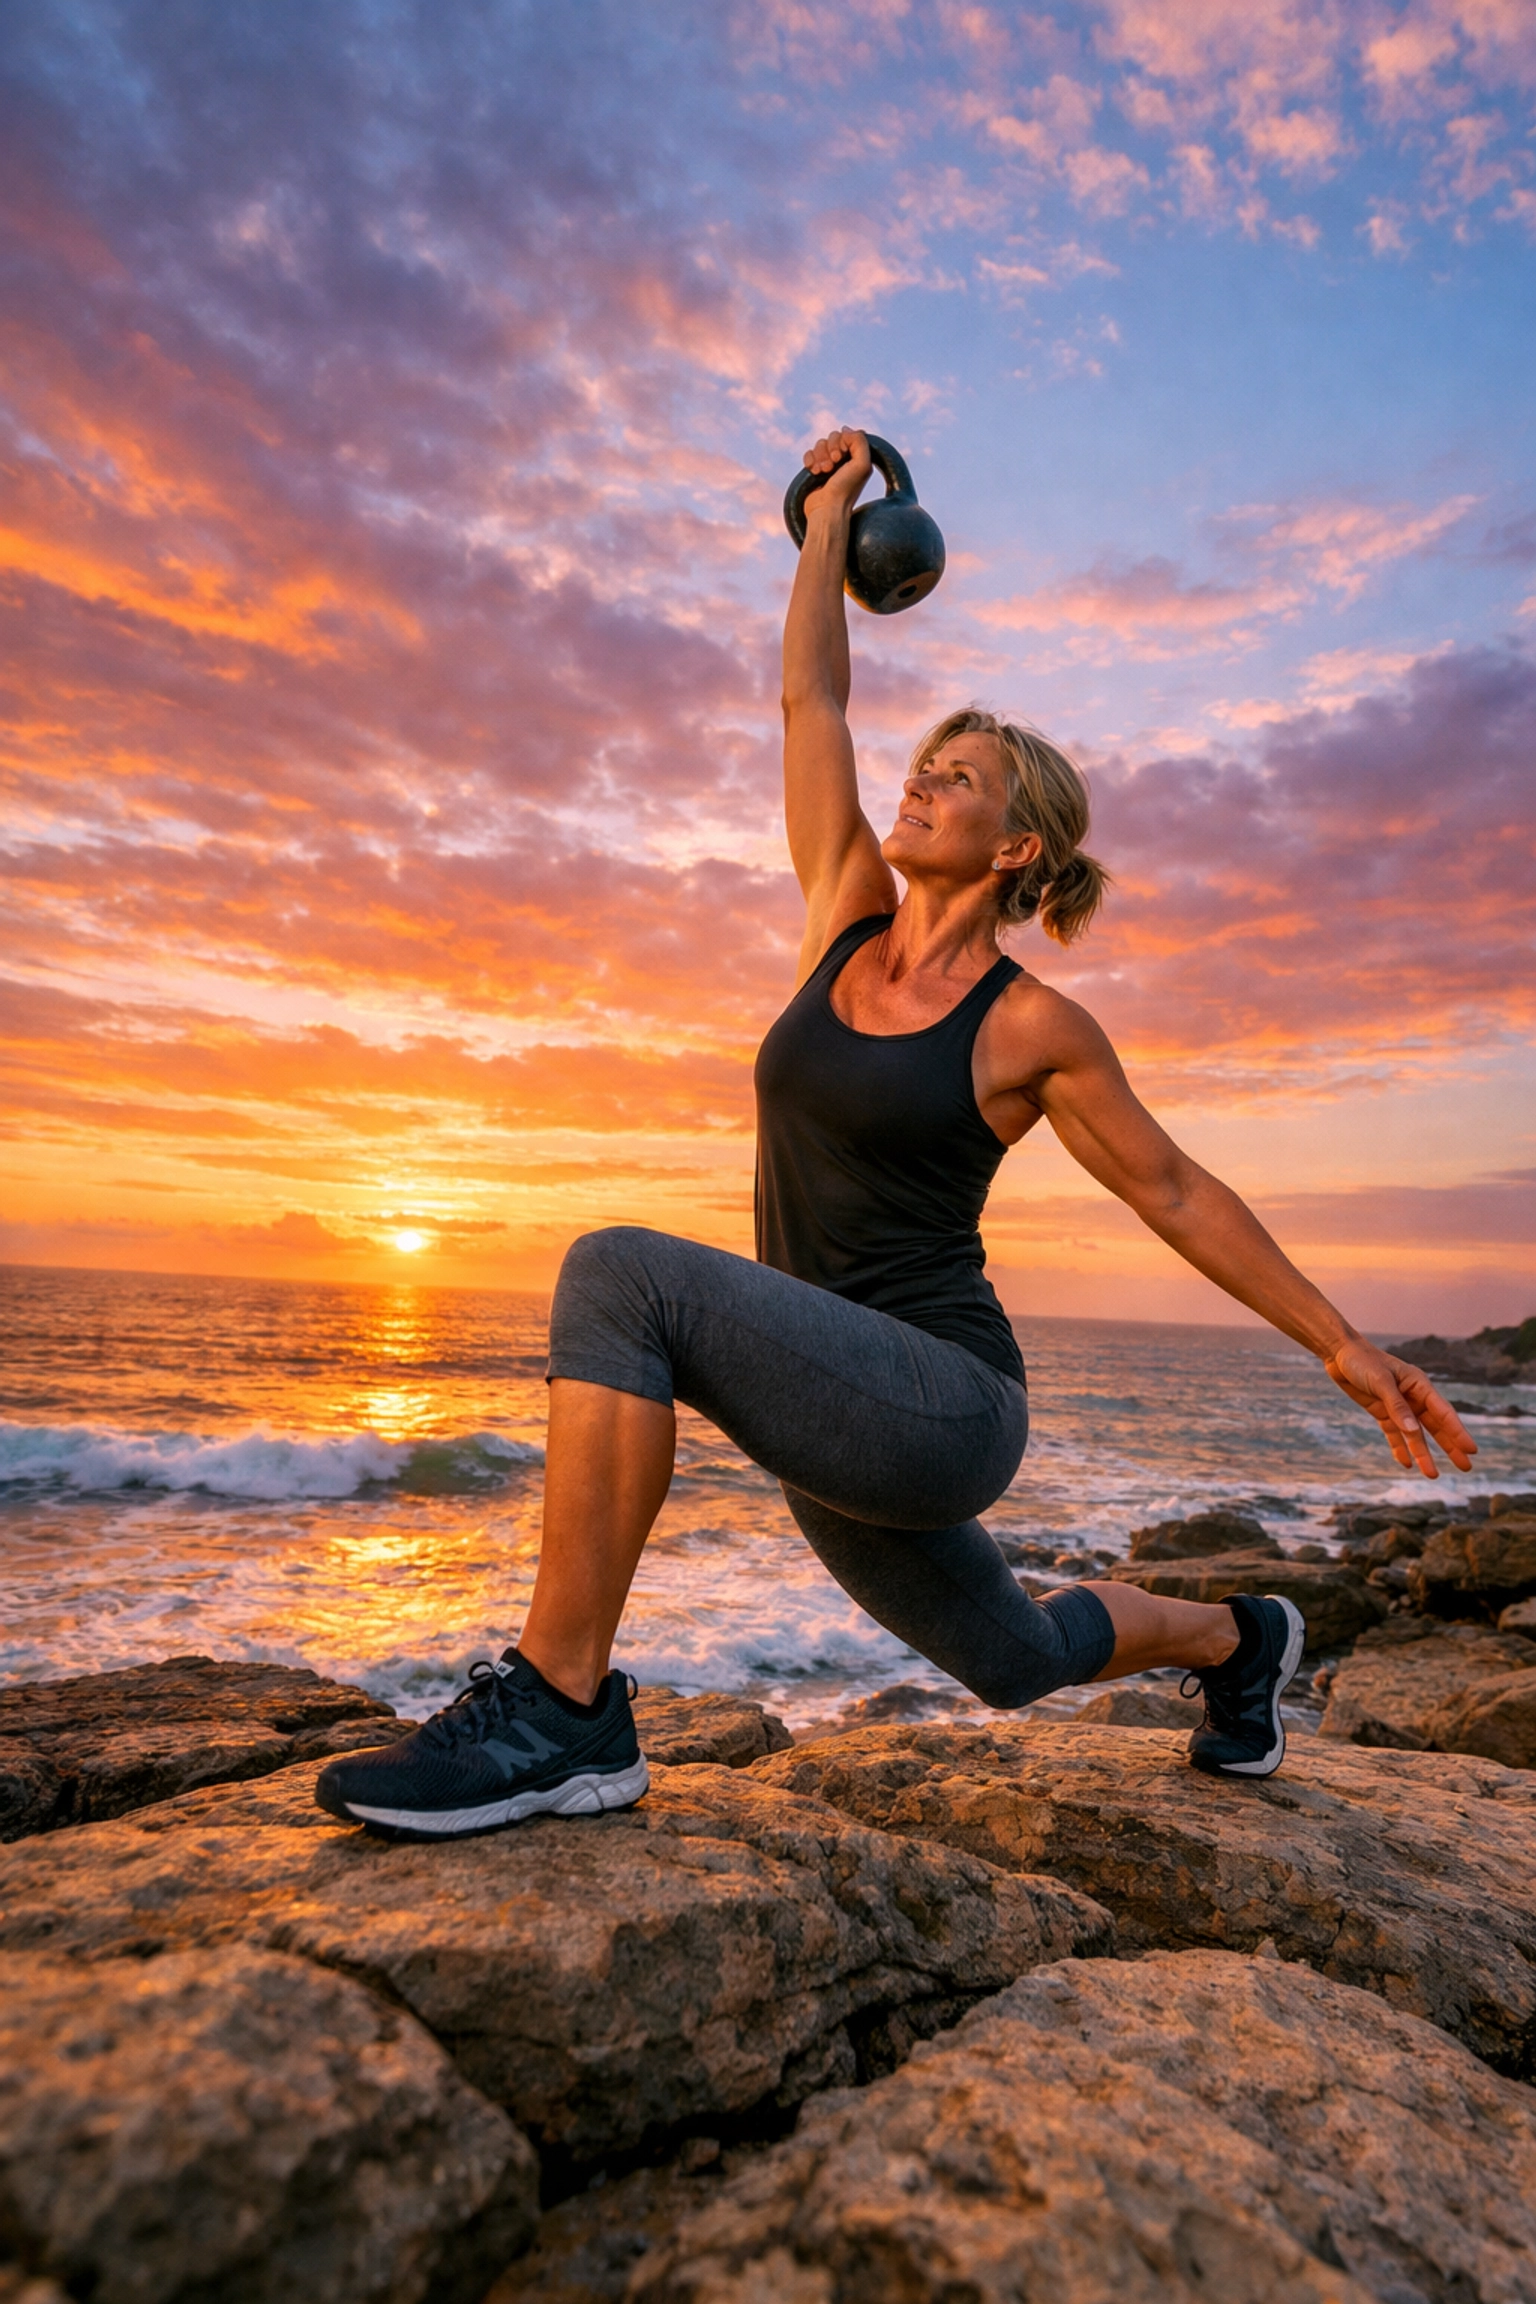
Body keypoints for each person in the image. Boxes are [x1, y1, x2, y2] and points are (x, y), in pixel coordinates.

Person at [318, 427, 1475, 1840]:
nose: (920, 782)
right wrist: (825, 523)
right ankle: (1244, 1642)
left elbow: (1173, 1188)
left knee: (618, 1273)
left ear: (1016, 850)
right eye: (926, 764)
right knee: (1012, 1661)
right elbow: (812, 703)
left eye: (961, 778)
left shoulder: (1030, 1024)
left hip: (942, 1401)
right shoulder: (842, 914)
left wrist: (1343, 1347)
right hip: (830, 1403)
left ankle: (562, 1714)